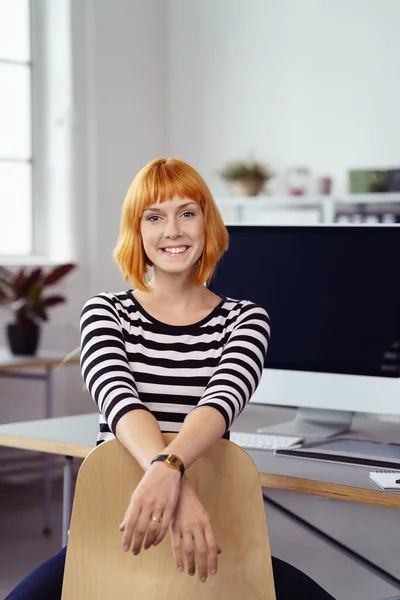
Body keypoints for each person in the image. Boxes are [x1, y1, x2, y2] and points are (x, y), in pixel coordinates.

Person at [6, 158, 335, 600]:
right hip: (113, 533)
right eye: (155, 217)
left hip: (214, 538)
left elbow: (219, 405)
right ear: (137, 230)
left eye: (187, 213)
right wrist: (174, 481)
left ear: (207, 223)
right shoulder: (105, 312)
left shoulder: (245, 320)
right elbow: (119, 402)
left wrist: (167, 472)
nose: (173, 230)